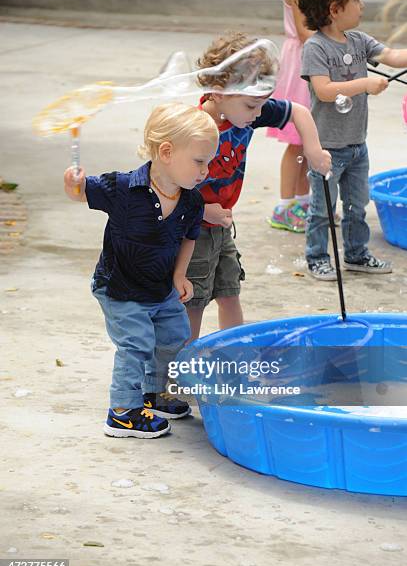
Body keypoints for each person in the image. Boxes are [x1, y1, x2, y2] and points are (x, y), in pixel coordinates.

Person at [64, 103, 219, 438]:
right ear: (166, 152)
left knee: (174, 337)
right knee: (136, 343)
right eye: (199, 160)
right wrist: (73, 184)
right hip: (119, 286)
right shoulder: (122, 188)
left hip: (160, 286)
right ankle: (122, 410)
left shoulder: (192, 200)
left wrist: (179, 276)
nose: (206, 170)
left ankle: (152, 392)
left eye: (208, 161)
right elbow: (80, 193)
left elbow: (190, 237)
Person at [185, 31, 332, 340]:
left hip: (221, 224)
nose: (257, 115)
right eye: (252, 106)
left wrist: (314, 149)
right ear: (219, 93)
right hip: (192, 232)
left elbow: (298, 111)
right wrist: (201, 208)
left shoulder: (245, 110)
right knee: (193, 301)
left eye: (260, 106)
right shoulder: (196, 130)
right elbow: (168, 187)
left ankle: (235, 353)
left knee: (229, 290)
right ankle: (185, 365)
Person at [298, 0, 407, 281]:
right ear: (335, 9)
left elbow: (392, 56)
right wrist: (364, 84)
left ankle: (356, 254)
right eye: (357, 0)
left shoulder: (359, 41)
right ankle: (317, 257)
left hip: (357, 144)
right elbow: (324, 90)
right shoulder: (315, 47)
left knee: (357, 205)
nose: (363, 6)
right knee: (323, 210)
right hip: (327, 149)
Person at [266, 0, 314, 233]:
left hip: (313, 56)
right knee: (297, 140)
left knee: (309, 141)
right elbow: (304, 30)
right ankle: (284, 207)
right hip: (301, 61)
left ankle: (304, 203)